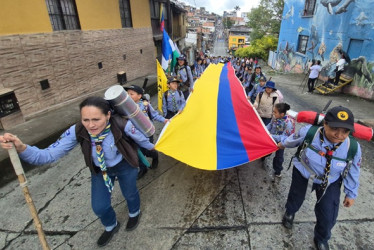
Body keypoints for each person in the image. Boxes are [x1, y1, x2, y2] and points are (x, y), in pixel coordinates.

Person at [0, 96, 156, 247]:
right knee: (99, 207)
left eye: (96, 119)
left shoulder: (123, 124)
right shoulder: (77, 130)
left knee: (130, 193)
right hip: (99, 170)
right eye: (86, 120)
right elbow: (47, 155)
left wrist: (158, 147)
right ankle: (111, 225)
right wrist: (22, 147)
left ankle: (134, 213)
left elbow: (144, 140)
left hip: (124, 165)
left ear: (108, 115)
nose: (91, 125)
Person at [278, 106, 361, 250]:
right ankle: (290, 212)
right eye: (335, 128)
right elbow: (291, 140)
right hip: (304, 171)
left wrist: (351, 193)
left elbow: (354, 170)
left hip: (331, 180)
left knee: (328, 213)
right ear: (325, 124)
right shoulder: (309, 132)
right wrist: (280, 144)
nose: (339, 135)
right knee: (296, 197)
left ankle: (322, 238)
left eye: (345, 131)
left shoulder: (352, 147)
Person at [125, 85, 168, 177]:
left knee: (147, 150)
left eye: (131, 94)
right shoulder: (125, 107)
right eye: (127, 93)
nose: (128, 96)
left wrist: (164, 120)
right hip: (133, 135)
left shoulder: (145, 105)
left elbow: (154, 115)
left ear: (139, 96)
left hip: (147, 133)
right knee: (137, 152)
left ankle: (154, 155)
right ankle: (143, 168)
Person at [266, 103, 295, 177]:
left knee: (279, 157)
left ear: (282, 114)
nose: (273, 113)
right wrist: (265, 129)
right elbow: (270, 125)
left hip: (280, 143)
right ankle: (263, 157)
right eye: (273, 111)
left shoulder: (288, 123)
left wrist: (272, 136)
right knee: (267, 150)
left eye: (275, 112)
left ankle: (278, 170)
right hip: (271, 138)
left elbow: (284, 137)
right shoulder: (275, 117)